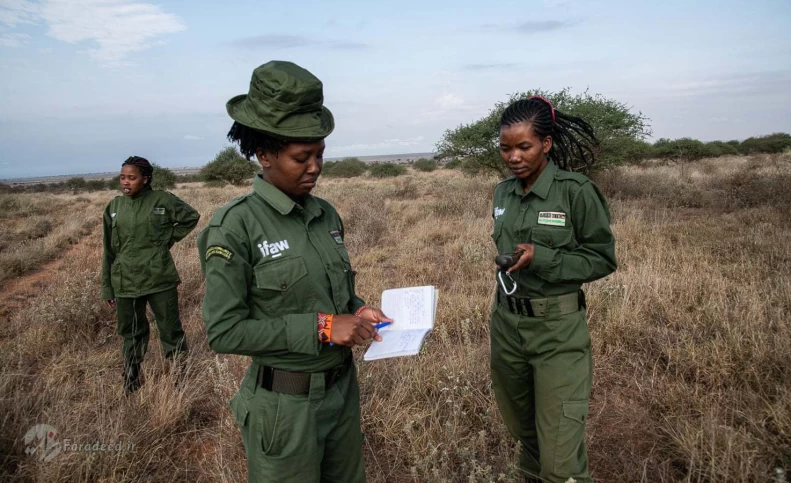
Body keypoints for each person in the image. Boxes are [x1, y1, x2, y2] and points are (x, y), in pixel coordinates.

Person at [197, 60, 391, 483]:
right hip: (284, 409)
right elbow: (224, 331)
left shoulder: (325, 214)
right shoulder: (235, 227)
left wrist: (358, 311)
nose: (315, 167)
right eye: (301, 157)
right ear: (263, 154)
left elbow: (335, 294)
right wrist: (323, 327)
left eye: (320, 154)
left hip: (341, 393)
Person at [489, 96, 617, 483]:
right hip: (507, 327)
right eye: (505, 148)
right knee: (525, 435)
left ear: (545, 144)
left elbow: (602, 259)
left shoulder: (576, 191)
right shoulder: (502, 193)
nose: (513, 157)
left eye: (523, 147)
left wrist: (543, 258)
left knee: (560, 458)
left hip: (557, 333)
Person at [101, 156, 200, 394]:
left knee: (170, 329)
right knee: (131, 332)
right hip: (125, 281)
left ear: (145, 180)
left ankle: (181, 377)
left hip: (159, 278)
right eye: (123, 177)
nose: (125, 182)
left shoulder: (162, 200)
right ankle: (132, 381)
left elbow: (191, 217)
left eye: (132, 178)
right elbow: (108, 250)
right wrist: (108, 287)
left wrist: (166, 239)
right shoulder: (114, 207)